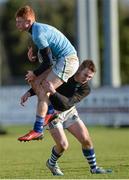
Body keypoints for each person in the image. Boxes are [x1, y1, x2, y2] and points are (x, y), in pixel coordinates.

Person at [18, 60, 112, 175]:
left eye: (90, 77)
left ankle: (94, 168)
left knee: (86, 140)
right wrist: (29, 92)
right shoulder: (66, 75)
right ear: (79, 70)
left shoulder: (85, 89)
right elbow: (45, 84)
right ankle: (51, 163)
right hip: (52, 114)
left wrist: (53, 92)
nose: (87, 79)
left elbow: (67, 104)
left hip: (69, 112)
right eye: (85, 75)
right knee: (63, 145)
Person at [15, 5, 79, 139]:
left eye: (19, 21)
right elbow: (47, 57)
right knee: (34, 81)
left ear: (28, 21)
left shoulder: (37, 34)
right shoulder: (37, 30)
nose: (17, 24)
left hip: (68, 60)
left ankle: (38, 129)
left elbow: (48, 62)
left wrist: (35, 72)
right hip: (61, 60)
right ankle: (49, 112)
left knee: (43, 89)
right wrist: (29, 91)